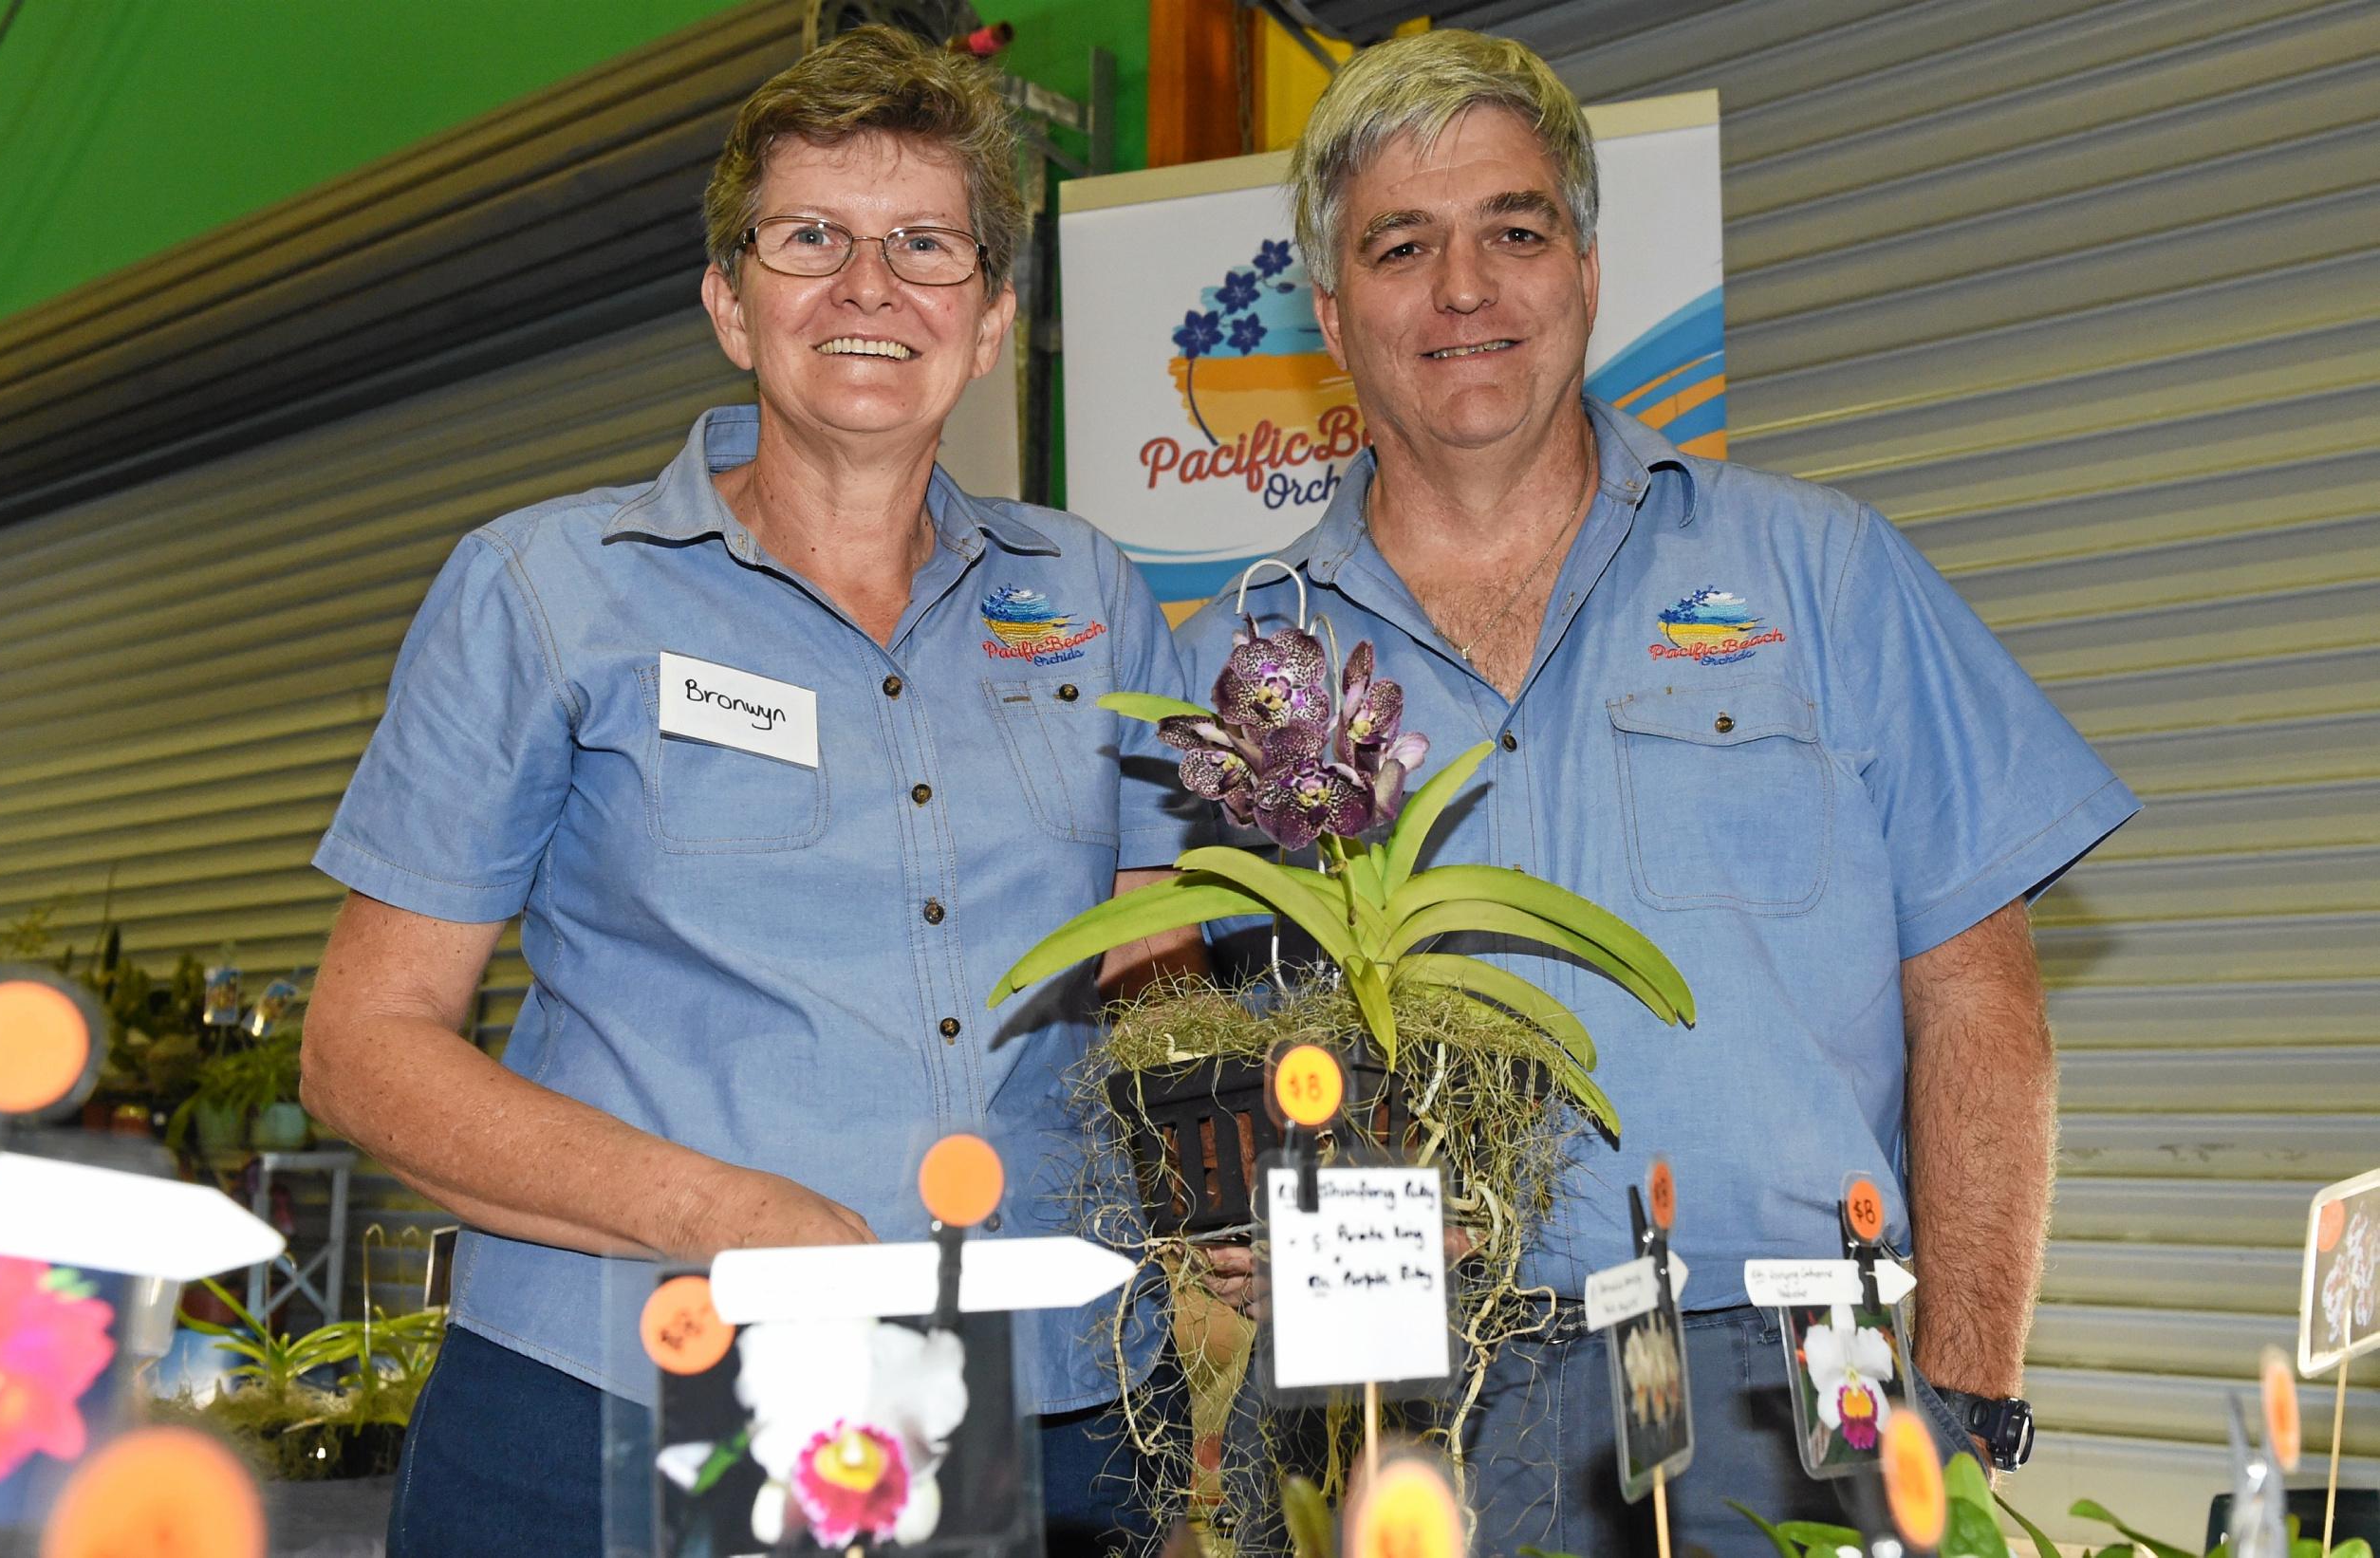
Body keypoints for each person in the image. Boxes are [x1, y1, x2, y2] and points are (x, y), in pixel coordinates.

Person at [1177, 28, 2138, 1556]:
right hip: (1400, 1387)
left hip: (1790, 1373)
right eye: (1402, 244)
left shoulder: (1822, 575)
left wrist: (1962, 1392)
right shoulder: (1238, 662)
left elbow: (1978, 1002)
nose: (1466, 288)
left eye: (1514, 228)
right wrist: (1213, 1208)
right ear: (1329, 309)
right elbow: (1153, 1018)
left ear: (1586, 266)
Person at [301, 28, 1194, 1556]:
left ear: (987, 321)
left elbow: (1153, 974)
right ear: (730, 301)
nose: (868, 287)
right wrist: (723, 1213)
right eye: (809, 239)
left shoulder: (1092, 591)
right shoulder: (546, 591)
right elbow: (363, 1050)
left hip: (1051, 1395)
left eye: (925, 245)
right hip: (631, 1393)